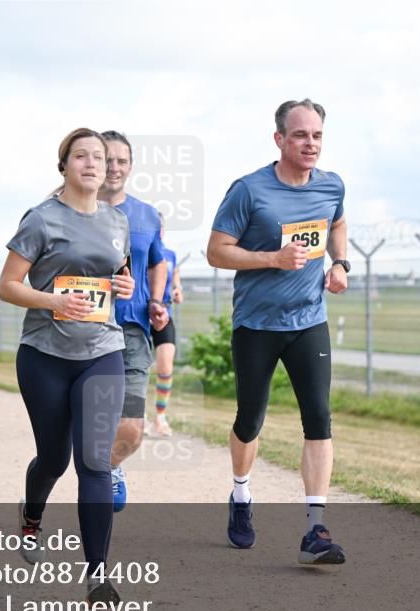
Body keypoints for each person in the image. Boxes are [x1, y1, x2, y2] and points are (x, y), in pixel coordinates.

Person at [207, 99, 349, 564]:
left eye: (318, 136)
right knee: (250, 420)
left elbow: (338, 220)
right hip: (257, 325)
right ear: (280, 140)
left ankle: (315, 527)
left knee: (319, 418)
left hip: (309, 320)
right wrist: (272, 257)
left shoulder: (331, 186)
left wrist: (340, 263)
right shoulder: (249, 190)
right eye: (301, 136)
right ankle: (242, 496)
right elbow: (217, 251)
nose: (311, 144)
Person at [0, 128, 134, 605]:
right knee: (54, 458)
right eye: (82, 156)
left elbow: (120, 273)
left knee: (94, 462)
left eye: (101, 157)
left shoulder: (118, 220)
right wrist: (52, 299)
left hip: (102, 350)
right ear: (64, 165)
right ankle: (32, 515)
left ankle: (98, 576)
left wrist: (125, 288)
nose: (94, 164)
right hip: (45, 356)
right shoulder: (41, 219)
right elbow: (9, 285)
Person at [96, 130, 170, 513]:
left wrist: (156, 300)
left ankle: (107, 469)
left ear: (131, 166)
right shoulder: (72, 208)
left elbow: (157, 260)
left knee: (131, 427)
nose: (114, 167)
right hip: (82, 328)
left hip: (132, 329)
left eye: (121, 160)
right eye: (106, 159)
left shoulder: (147, 214)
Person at [149, 226, 183, 437]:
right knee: (138, 368)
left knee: (165, 366)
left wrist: (178, 291)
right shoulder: (137, 251)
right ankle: (134, 416)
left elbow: (176, 283)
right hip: (141, 317)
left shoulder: (170, 255)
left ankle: (160, 418)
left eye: (161, 227)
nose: (159, 231)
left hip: (164, 316)